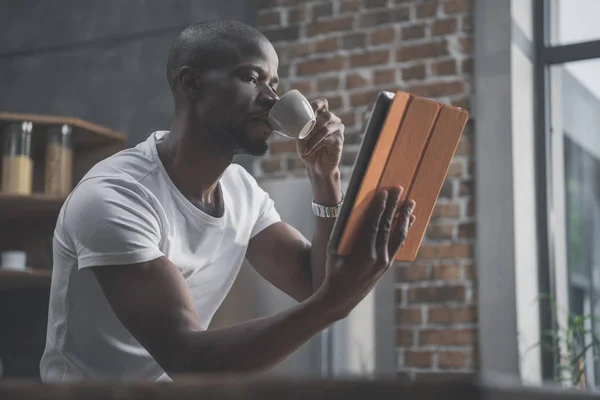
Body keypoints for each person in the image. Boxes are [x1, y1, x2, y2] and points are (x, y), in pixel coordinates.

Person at [40, 20, 416, 382]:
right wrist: (333, 303)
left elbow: (314, 283)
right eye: (251, 78)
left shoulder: (241, 190)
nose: (271, 99)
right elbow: (189, 359)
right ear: (192, 82)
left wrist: (324, 176)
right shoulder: (115, 197)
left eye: (274, 83)